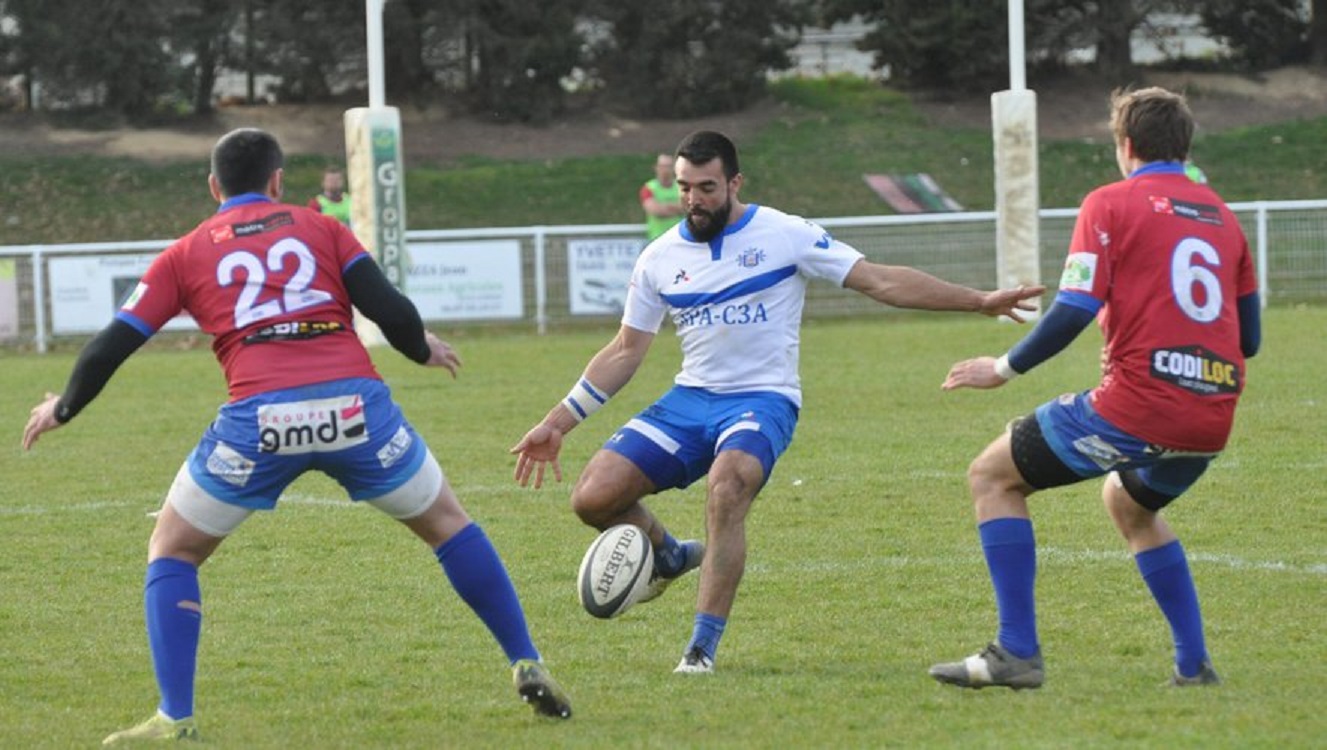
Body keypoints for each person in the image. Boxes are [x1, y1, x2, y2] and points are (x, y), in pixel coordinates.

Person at [22, 128, 571, 744]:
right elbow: (388, 308)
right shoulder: (321, 227)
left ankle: (175, 717)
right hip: (355, 410)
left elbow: (112, 345)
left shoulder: (185, 253)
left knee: (173, 550)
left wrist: (63, 408)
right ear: (278, 180)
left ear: (213, 187)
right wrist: (421, 350)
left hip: (258, 420)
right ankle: (525, 659)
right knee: (449, 525)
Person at [510, 130, 1043, 674]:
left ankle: (700, 648)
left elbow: (879, 281)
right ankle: (669, 555)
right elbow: (625, 351)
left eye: (707, 187)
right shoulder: (658, 258)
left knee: (727, 486)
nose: (694, 199)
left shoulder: (785, 234)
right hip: (690, 399)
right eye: (685, 187)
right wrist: (558, 422)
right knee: (592, 499)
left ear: (735, 182)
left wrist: (978, 301)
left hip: (763, 401)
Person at [928, 87, 1261, 691]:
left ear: (1125, 146)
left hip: (1139, 405)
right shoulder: (1224, 217)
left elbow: (1075, 306)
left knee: (991, 476)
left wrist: (1001, 368)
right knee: (1129, 504)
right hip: (1212, 414)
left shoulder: (1109, 202)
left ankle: (1016, 652)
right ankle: (1193, 665)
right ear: (1183, 148)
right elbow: (1252, 338)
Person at [640, 152, 684, 241]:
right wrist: (678, 208)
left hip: (681, 239)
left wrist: (664, 206)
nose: (665, 170)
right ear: (656, 168)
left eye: (668, 166)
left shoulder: (683, 186)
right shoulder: (648, 188)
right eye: (662, 166)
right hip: (657, 239)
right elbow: (656, 211)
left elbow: (688, 207)